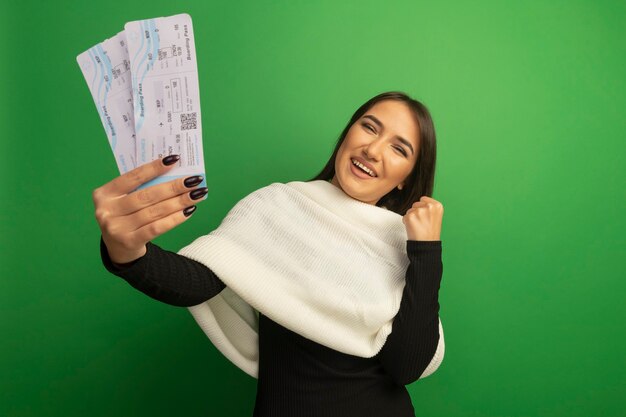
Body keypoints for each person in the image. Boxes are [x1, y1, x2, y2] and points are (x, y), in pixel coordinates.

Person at [94, 91, 445, 417]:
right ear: (348, 133)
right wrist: (127, 252)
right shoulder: (279, 206)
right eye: (369, 127)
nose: (373, 149)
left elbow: (407, 366)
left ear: (405, 178)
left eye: (399, 149)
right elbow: (197, 282)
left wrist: (426, 253)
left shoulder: (401, 245)